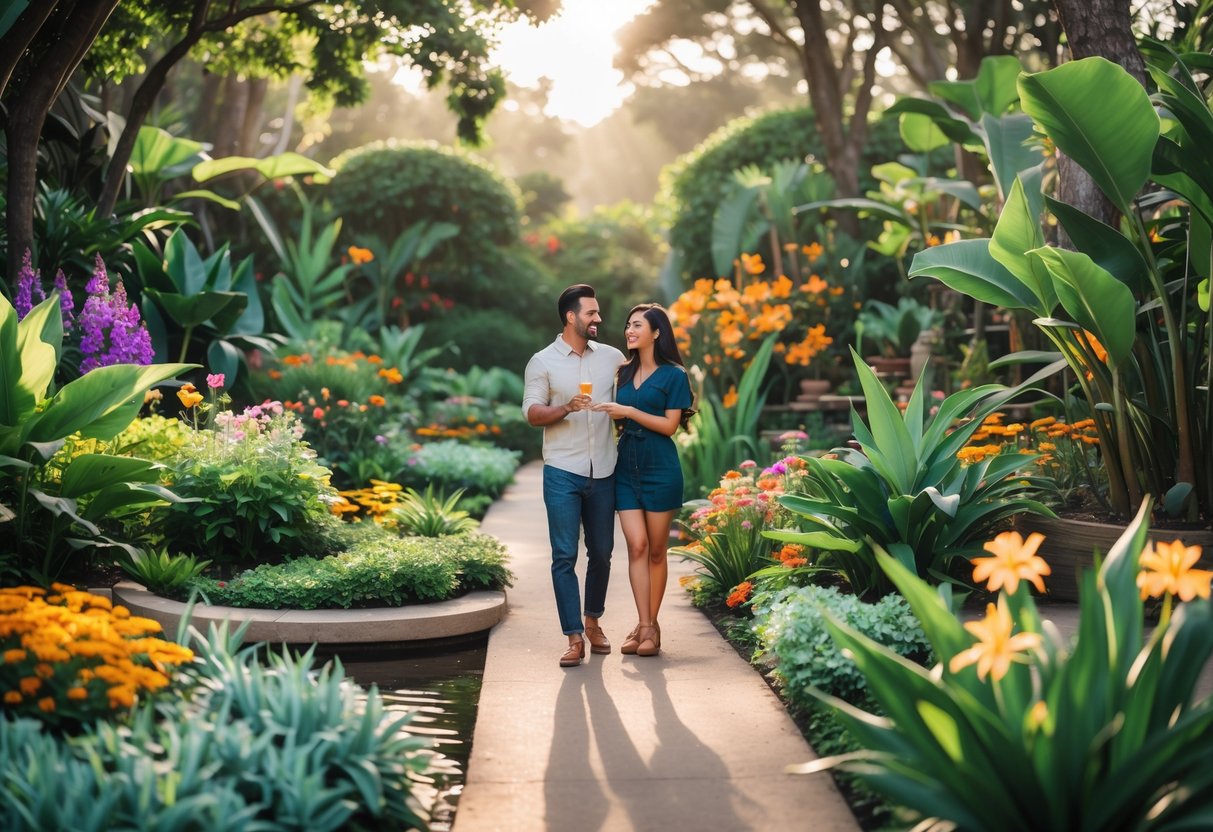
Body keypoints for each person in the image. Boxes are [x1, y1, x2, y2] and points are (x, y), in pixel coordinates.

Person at [522, 284, 626, 668]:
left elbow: (639, 387)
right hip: (562, 472)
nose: (598, 319)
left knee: (602, 552)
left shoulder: (613, 358)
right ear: (571, 317)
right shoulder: (543, 362)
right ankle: (573, 637)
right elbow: (532, 414)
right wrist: (566, 407)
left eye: (597, 313)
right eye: (591, 313)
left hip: (604, 470)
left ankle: (593, 620)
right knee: (564, 556)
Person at [593, 303, 693, 658]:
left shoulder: (675, 375)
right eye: (628, 325)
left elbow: (669, 427)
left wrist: (630, 411)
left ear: (656, 333)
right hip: (626, 467)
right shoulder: (621, 373)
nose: (629, 331)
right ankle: (645, 624)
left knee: (654, 549)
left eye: (637, 325)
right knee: (635, 546)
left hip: (661, 467)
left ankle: (648, 627)